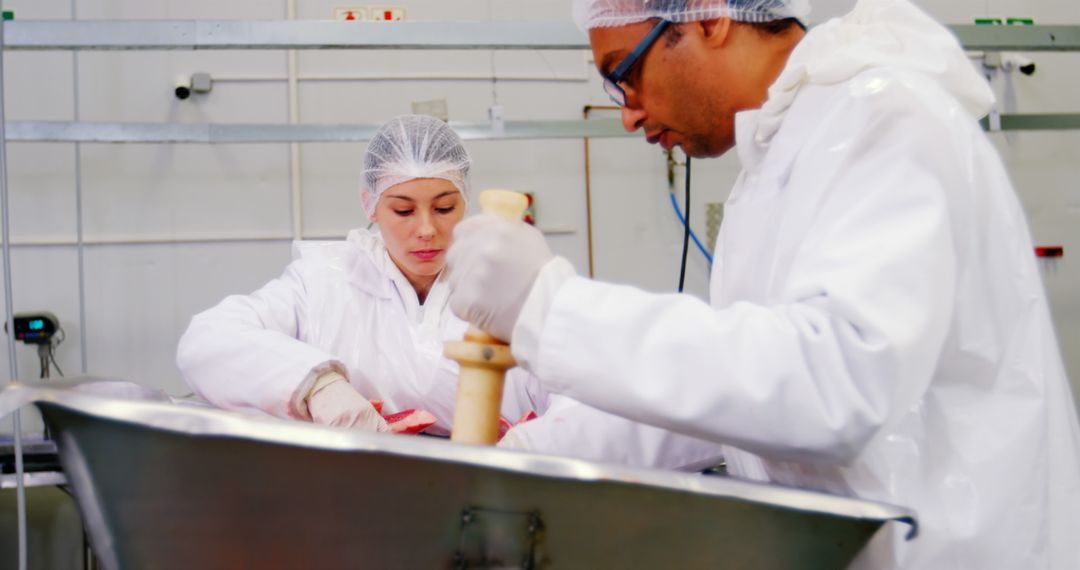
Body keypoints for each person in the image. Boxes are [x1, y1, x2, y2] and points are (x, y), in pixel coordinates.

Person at [446, 0, 1080, 567]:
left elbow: (835, 380)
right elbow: (737, 395)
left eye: (624, 73)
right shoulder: (779, 157)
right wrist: (535, 448)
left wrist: (548, 308)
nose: (628, 114)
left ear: (708, 15)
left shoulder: (887, 118)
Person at [176, 115, 546, 435]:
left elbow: (582, 394)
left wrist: (531, 444)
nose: (426, 229)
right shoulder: (326, 280)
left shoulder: (502, 290)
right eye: (403, 211)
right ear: (371, 206)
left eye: (444, 208)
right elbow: (207, 341)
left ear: (465, 201)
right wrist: (316, 384)